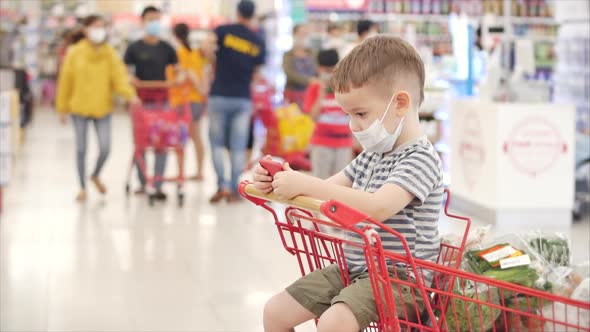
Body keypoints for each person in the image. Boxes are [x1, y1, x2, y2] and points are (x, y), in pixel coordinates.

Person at [254, 36, 443, 331]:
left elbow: (378, 207)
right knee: (275, 311)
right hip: (355, 268)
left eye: (361, 114)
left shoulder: (421, 158)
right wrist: (278, 180)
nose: (353, 126)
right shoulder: (372, 156)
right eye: (348, 115)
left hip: (402, 280)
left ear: (401, 103)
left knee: (334, 322)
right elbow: (323, 189)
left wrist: (305, 183)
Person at [56, 15, 138, 202]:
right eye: (95, 26)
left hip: (103, 107)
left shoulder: (109, 53)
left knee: (105, 147)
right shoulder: (74, 52)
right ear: (85, 29)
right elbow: (65, 81)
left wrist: (130, 95)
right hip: (79, 108)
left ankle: (95, 174)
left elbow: (119, 77)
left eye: (102, 27)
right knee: (81, 148)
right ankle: (82, 187)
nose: (99, 30)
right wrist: (62, 107)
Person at [208, 0, 266, 203]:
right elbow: (257, 75)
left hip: (219, 94)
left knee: (216, 144)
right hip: (242, 97)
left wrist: (214, 63)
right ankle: (234, 189)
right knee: (238, 147)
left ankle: (221, 184)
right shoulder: (257, 40)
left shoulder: (223, 30)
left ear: (238, 12)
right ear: (252, 15)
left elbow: (207, 49)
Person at [124, 6, 179, 200]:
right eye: (150, 19)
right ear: (143, 21)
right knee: (141, 143)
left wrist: (175, 80)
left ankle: (157, 183)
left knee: (161, 143)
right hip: (141, 103)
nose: (154, 23)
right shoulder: (134, 48)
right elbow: (125, 72)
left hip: (162, 103)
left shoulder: (167, 48)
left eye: (157, 19)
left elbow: (177, 72)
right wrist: (131, 81)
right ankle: (142, 182)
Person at [302, 49, 352, 180]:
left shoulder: (346, 87)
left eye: (332, 71)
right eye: (326, 71)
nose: (329, 75)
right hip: (321, 142)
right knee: (320, 180)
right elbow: (312, 116)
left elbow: (352, 112)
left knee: (343, 182)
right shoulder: (315, 88)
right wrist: (321, 93)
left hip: (343, 142)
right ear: (319, 69)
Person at [169, 23, 209, 181]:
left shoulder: (180, 52)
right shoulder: (194, 52)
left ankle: (181, 173)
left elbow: (188, 73)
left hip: (185, 100)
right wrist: (203, 93)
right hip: (196, 101)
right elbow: (201, 72)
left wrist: (199, 88)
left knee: (182, 137)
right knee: (196, 136)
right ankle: (198, 171)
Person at [282, 24, 317, 108]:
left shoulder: (312, 53)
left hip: (311, 93)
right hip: (293, 93)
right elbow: (289, 74)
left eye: (305, 34)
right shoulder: (288, 55)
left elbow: (317, 69)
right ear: (294, 35)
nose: (303, 37)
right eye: (301, 33)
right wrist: (308, 80)